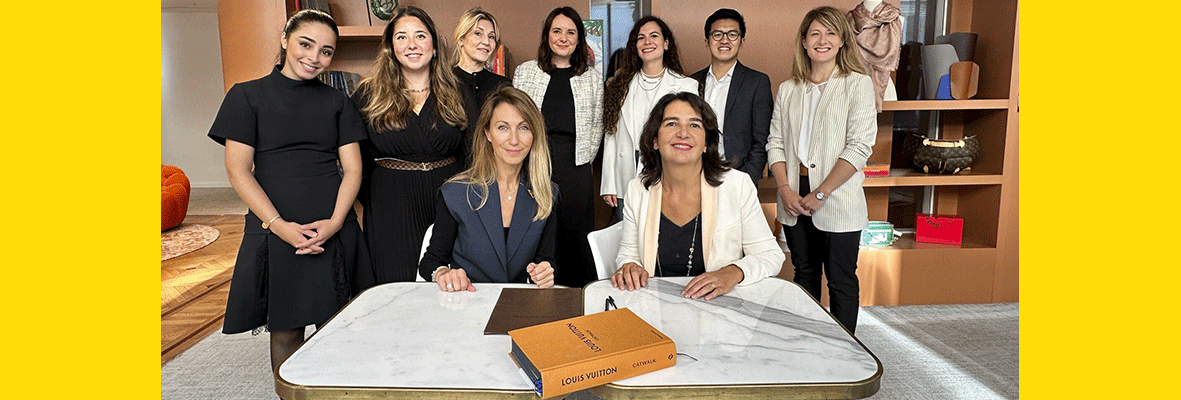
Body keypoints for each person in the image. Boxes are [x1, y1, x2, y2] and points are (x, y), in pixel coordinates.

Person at [207, 9, 372, 372]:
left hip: (332, 226)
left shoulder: (338, 102)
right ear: (285, 39)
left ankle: (333, 392)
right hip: (274, 227)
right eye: (305, 44)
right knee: (286, 329)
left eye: (326, 51)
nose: (314, 57)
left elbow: (354, 169)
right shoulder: (246, 96)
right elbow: (238, 170)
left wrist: (334, 223)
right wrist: (279, 226)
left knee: (339, 325)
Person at [765, 6, 875, 334]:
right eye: (814, 33)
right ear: (804, 41)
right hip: (793, 195)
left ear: (842, 41)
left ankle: (846, 351)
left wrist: (821, 193)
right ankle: (809, 344)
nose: (822, 40)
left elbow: (859, 147)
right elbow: (775, 143)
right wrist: (785, 189)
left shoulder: (857, 84)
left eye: (830, 33)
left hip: (836, 197)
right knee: (804, 274)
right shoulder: (789, 88)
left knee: (841, 279)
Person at [610, 92, 783, 300]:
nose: (683, 133)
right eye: (672, 124)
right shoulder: (637, 189)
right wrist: (629, 266)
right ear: (655, 140)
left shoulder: (737, 186)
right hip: (652, 305)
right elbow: (628, 254)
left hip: (717, 308)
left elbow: (770, 256)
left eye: (694, 125)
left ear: (706, 143)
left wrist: (734, 272)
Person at [353, 6, 469, 284]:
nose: (412, 44)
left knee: (447, 285)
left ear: (435, 46)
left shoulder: (458, 91)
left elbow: (472, 153)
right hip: (390, 204)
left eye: (420, 35)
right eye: (402, 37)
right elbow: (357, 161)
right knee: (395, 285)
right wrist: (376, 198)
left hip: (448, 200)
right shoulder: (368, 94)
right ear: (391, 48)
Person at [419, 87, 558, 292]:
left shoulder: (546, 194)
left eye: (524, 127)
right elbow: (431, 261)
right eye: (502, 127)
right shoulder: (455, 193)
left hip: (518, 304)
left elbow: (545, 259)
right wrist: (443, 273)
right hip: (467, 300)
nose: (514, 140)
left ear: (534, 134)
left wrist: (544, 271)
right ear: (488, 133)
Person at [513, 6, 604, 288]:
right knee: (537, 229)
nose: (563, 38)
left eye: (570, 32)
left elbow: (598, 124)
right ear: (547, 35)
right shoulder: (525, 72)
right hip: (535, 163)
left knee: (574, 232)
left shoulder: (591, 77)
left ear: (579, 39)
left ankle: (576, 293)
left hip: (576, 166)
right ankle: (538, 291)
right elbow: (515, 119)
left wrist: (585, 159)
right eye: (557, 31)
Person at [601, 16, 698, 219]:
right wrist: (609, 183)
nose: (647, 42)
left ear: (666, 43)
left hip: (667, 173)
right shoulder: (620, 85)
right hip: (625, 176)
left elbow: (692, 136)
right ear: (635, 45)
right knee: (628, 233)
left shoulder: (686, 86)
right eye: (641, 37)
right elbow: (611, 135)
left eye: (654, 36)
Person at [690, 8, 772, 186]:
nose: (724, 40)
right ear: (707, 41)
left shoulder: (757, 82)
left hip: (738, 177)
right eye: (717, 34)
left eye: (732, 34)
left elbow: (762, 139)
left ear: (742, 42)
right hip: (694, 176)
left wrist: (747, 179)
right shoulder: (691, 82)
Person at [452, 7, 511, 126]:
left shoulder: (503, 85)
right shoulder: (444, 81)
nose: (486, 42)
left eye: (491, 37)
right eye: (478, 33)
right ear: (461, 39)